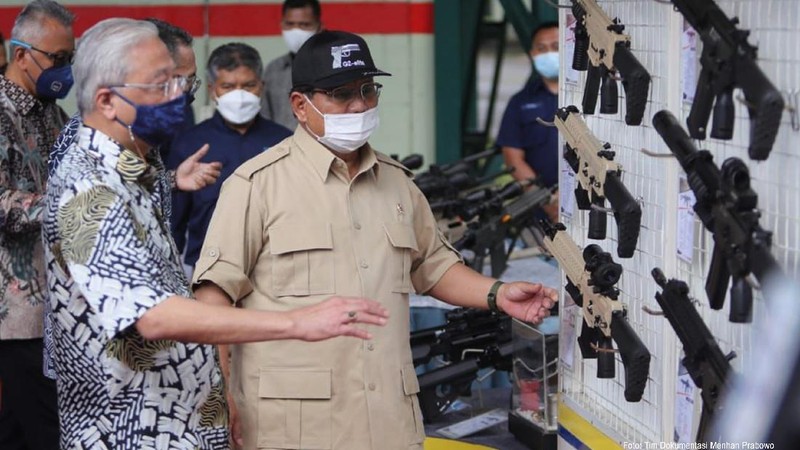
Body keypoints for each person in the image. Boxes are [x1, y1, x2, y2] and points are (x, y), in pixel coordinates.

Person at [193, 30, 558, 450]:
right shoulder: (257, 185)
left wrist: (498, 294)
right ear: (300, 105)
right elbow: (213, 300)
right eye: (342, 94)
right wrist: (221, 396)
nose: (359, 105)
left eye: (367, 90)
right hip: (292, 426)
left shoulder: (398, 183)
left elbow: (434, 267)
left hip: (386, 420)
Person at [43, 19, 388, 448]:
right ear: (108, 101)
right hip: (135, 432)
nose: (179, 95)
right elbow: (153, 316)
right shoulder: (88, 188)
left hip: (180, 422)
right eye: (162, 84)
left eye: (180, 82)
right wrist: (297, 322)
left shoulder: (135, 169)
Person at [42, 16, 221, 382]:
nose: (182, 94)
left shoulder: (138, 133)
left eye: (188, 82)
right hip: (104, 358)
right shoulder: (83, 144)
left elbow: (129, 194)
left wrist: (170, 180)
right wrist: (291, 323)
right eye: (174, 81)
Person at [0, 2, 74, 448]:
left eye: (69, 58)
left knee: (17, 431)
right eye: (57, 58)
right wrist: (70, 205)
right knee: (49, 430)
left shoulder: (52, 113)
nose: (64, 69)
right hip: (17, 314)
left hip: (57, 303)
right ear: (21, 54)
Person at [169, 43, 292, 272]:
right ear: (212, 89)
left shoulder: (284, 141)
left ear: (262, 86)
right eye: (228, 86)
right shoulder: (190, 144)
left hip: (274, 267)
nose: (239, 95)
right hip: (205, 267)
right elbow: (174, 222)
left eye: (248, 85)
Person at [496, 21, 560, 221]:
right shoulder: (520, 102)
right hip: (540, 213)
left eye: (556, 47)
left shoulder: (593, 98)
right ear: (533, 54)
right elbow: (513, 159)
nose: (549, 53)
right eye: (541, 48)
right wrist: (547, 201)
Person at [260, 0, 322, 129]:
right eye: (290, 24)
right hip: (280, 141)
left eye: (304, 25)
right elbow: (264, 118)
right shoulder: (273, 70)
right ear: (282, 24)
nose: (296, 31)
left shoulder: (331, 67)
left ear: (319, 26)